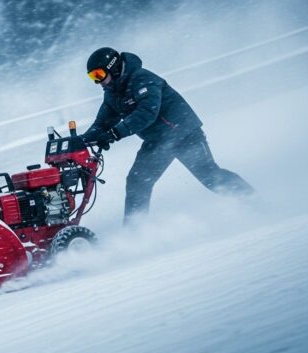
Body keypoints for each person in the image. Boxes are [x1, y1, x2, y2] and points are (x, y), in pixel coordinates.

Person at [81, 47, 254, 224]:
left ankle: (253, 201)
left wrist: (116, 133)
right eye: (92, 77)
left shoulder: (142, 79)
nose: (98, 82)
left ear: (113, 68)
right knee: (137, 182)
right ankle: (134, 233)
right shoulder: (112, 94)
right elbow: (102, 122)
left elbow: (147, 113)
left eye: (99, 75)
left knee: (210, 176)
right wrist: (80, 141)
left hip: (184, 134)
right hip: (157, 142)